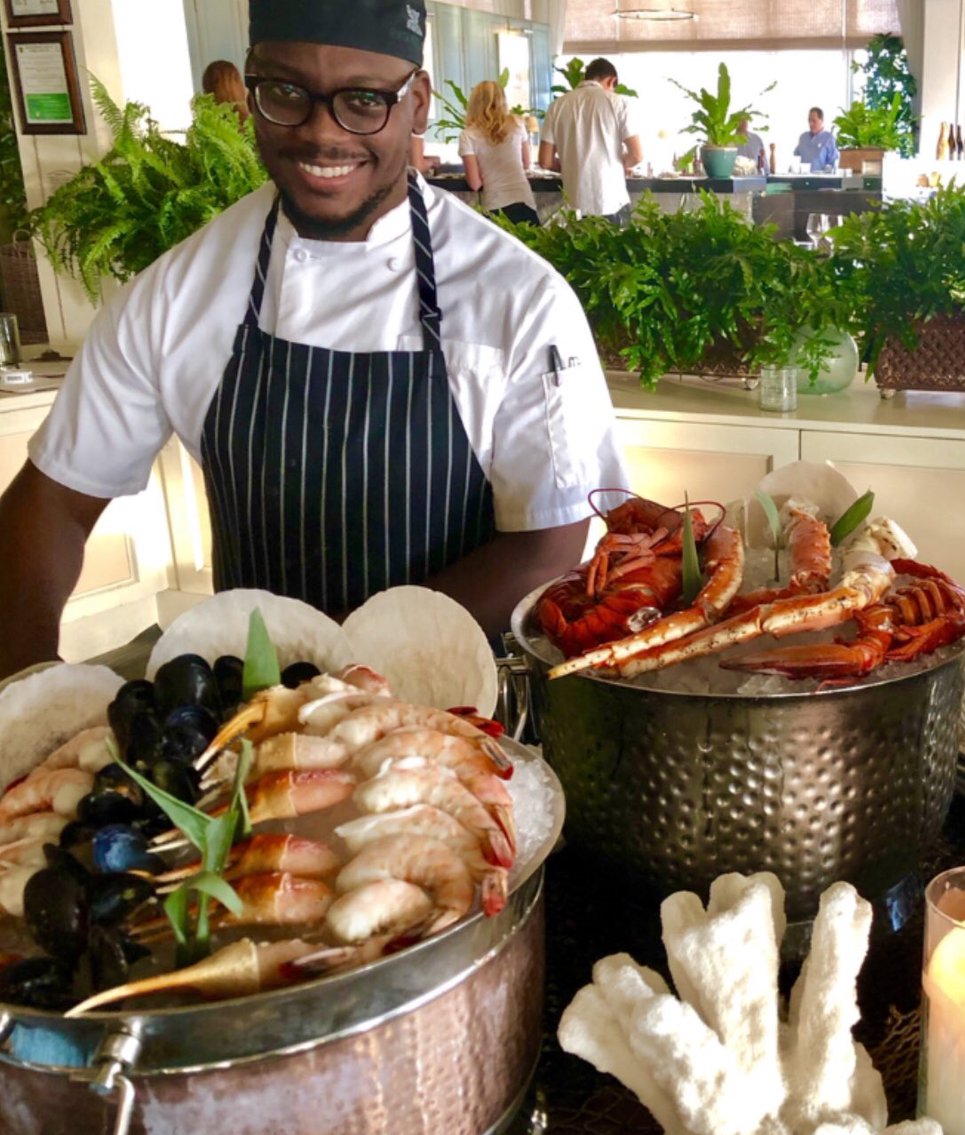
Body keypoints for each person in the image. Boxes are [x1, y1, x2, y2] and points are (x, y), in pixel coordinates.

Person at [0, 0, 627, 677]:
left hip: (460, 725)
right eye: (286, 93)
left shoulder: (517, 298)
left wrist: (328, 675)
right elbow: (56, 499)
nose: (322, 134)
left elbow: (546, 544)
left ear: (416, 104)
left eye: (363, 100)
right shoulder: (180, 291)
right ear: (249, 92)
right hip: (250, 733)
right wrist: (25, 692)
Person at [538, 57, 642, 223]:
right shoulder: (618, 102)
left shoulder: (557, 106)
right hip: (612, 201)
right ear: (611, 80)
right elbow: (636, 155)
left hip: (574, 205)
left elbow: (545, 161)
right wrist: (621, 164)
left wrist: (572, 166)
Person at [459, 80, 539, 225]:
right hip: (524, 201)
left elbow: (475, 183)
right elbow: (526, 164)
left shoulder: (468, 135)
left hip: (495, 206)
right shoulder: (518, 123)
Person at [794, 107, 839, 172]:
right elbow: (795, 158)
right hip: (802, 178)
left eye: (814, 121)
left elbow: (833, 162)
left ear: (821, 120)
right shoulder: (803, 137)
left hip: (821, 179)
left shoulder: (829, 138)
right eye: (809, 121)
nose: (811, 124)